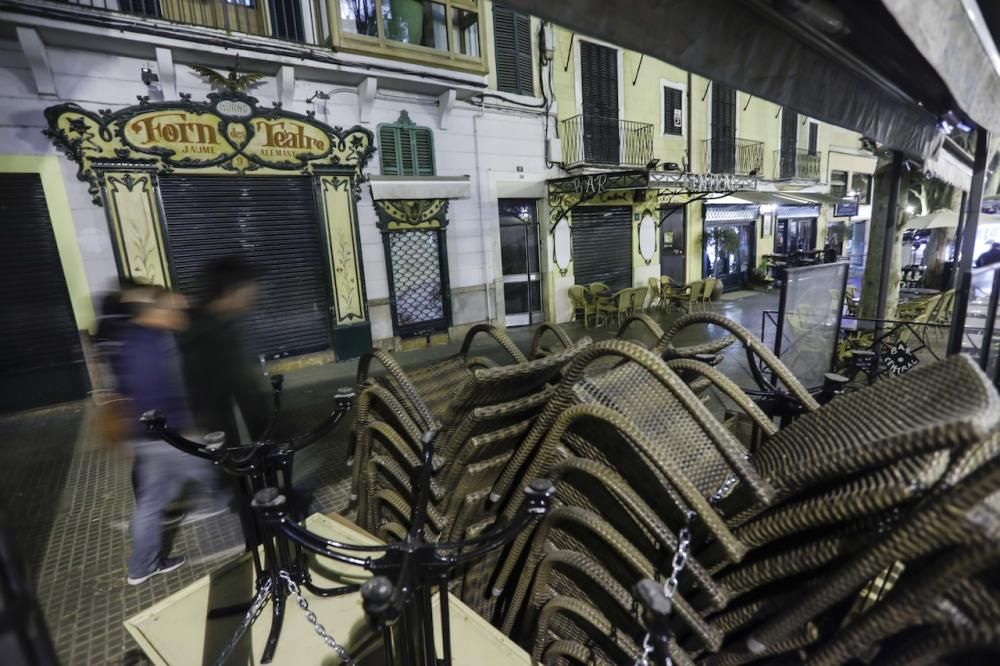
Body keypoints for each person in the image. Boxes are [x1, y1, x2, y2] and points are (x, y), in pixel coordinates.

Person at [112, 286, 220, 585]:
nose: (181, 315)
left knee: (150, 503)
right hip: (174, 436)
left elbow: (124, 390)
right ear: (158, 311)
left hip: (146, 435)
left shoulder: (129, 340)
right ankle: (262, 522)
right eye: (176, 310)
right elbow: (176, 390)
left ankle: (141, 567)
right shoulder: (162, 345)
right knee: (223, 474)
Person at [182, 256, 269, 446]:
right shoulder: (203, 335)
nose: (256, 293)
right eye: (249, 288)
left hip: (237, 437)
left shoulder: (226, 323)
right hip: (223, 442)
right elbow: (233, 392)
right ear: (231, 292)